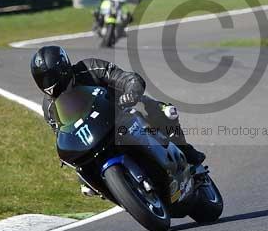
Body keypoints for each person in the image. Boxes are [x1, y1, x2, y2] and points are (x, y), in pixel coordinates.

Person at [30, 46, 207, 192]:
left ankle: (188, 154)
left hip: (121, 112)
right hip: (93, 136)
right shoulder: (49, 107)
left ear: (64, 68)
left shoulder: (89, 68)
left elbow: (125, 78)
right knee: (84, 180)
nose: (48, 83)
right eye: (42, 79)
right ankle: (120, 189)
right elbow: (61, 133)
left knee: (164, 111)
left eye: (51, 77)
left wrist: (131, 92)